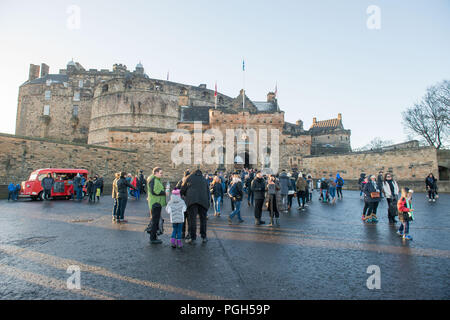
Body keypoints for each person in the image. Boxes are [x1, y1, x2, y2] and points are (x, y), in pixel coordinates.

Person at [180, 168, 210, 244]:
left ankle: (193, 238)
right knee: (203, 220)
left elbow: (182, 189)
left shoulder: (189, 178)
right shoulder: (204, 179)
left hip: (192, 201)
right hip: (203, 201)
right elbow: (208, 191)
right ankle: (204, 236)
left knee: (192, 220)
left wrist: (184, 195)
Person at [146, 167, 167, 244]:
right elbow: (154, 191)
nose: (162, 174)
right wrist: (164, 193)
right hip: (155, 203)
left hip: (156, 202)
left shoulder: (155, 179)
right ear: (155, 173)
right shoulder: (153, 179)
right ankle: (153, 238)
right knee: (155, 221)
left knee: (155, 220)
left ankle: (154, 236)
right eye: (160, 173)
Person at [176, 169, 190, 239]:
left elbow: (175, 190)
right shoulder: (189, 181)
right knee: (188, 219)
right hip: (188, 202)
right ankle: (187, 233)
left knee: (183, 219)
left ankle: (183, 233)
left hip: (183, 203)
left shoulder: (181, 181)